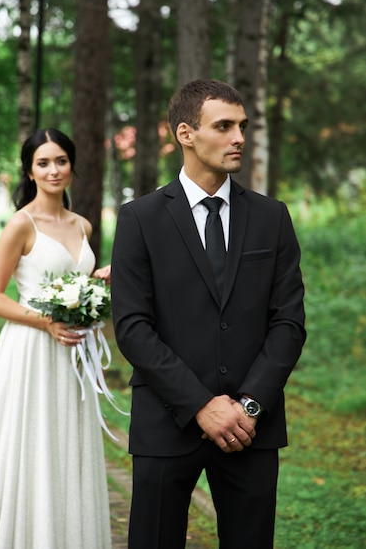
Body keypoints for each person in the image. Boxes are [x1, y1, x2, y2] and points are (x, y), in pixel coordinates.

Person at [111, 79, 306, 549]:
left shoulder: (271, 217)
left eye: (242, 126)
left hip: (249, 429)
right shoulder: (140, 218)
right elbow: (133, 328)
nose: (239, 137)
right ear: (186, 134)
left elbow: (289, 323)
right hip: (166, 421)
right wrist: (200, 405)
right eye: (224, 126)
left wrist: (248, 406)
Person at [0, 128, 112, 549]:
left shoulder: (83, 225)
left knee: (65, 449)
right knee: (30, 446)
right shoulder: (21, 225)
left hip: (73, 357)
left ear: (72, 166)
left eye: (60, 160)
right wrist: (46, 322)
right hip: (30, 351)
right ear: (29, 170)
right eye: (43, 162)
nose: (53, 169)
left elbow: (69, 281)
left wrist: (94, 284)